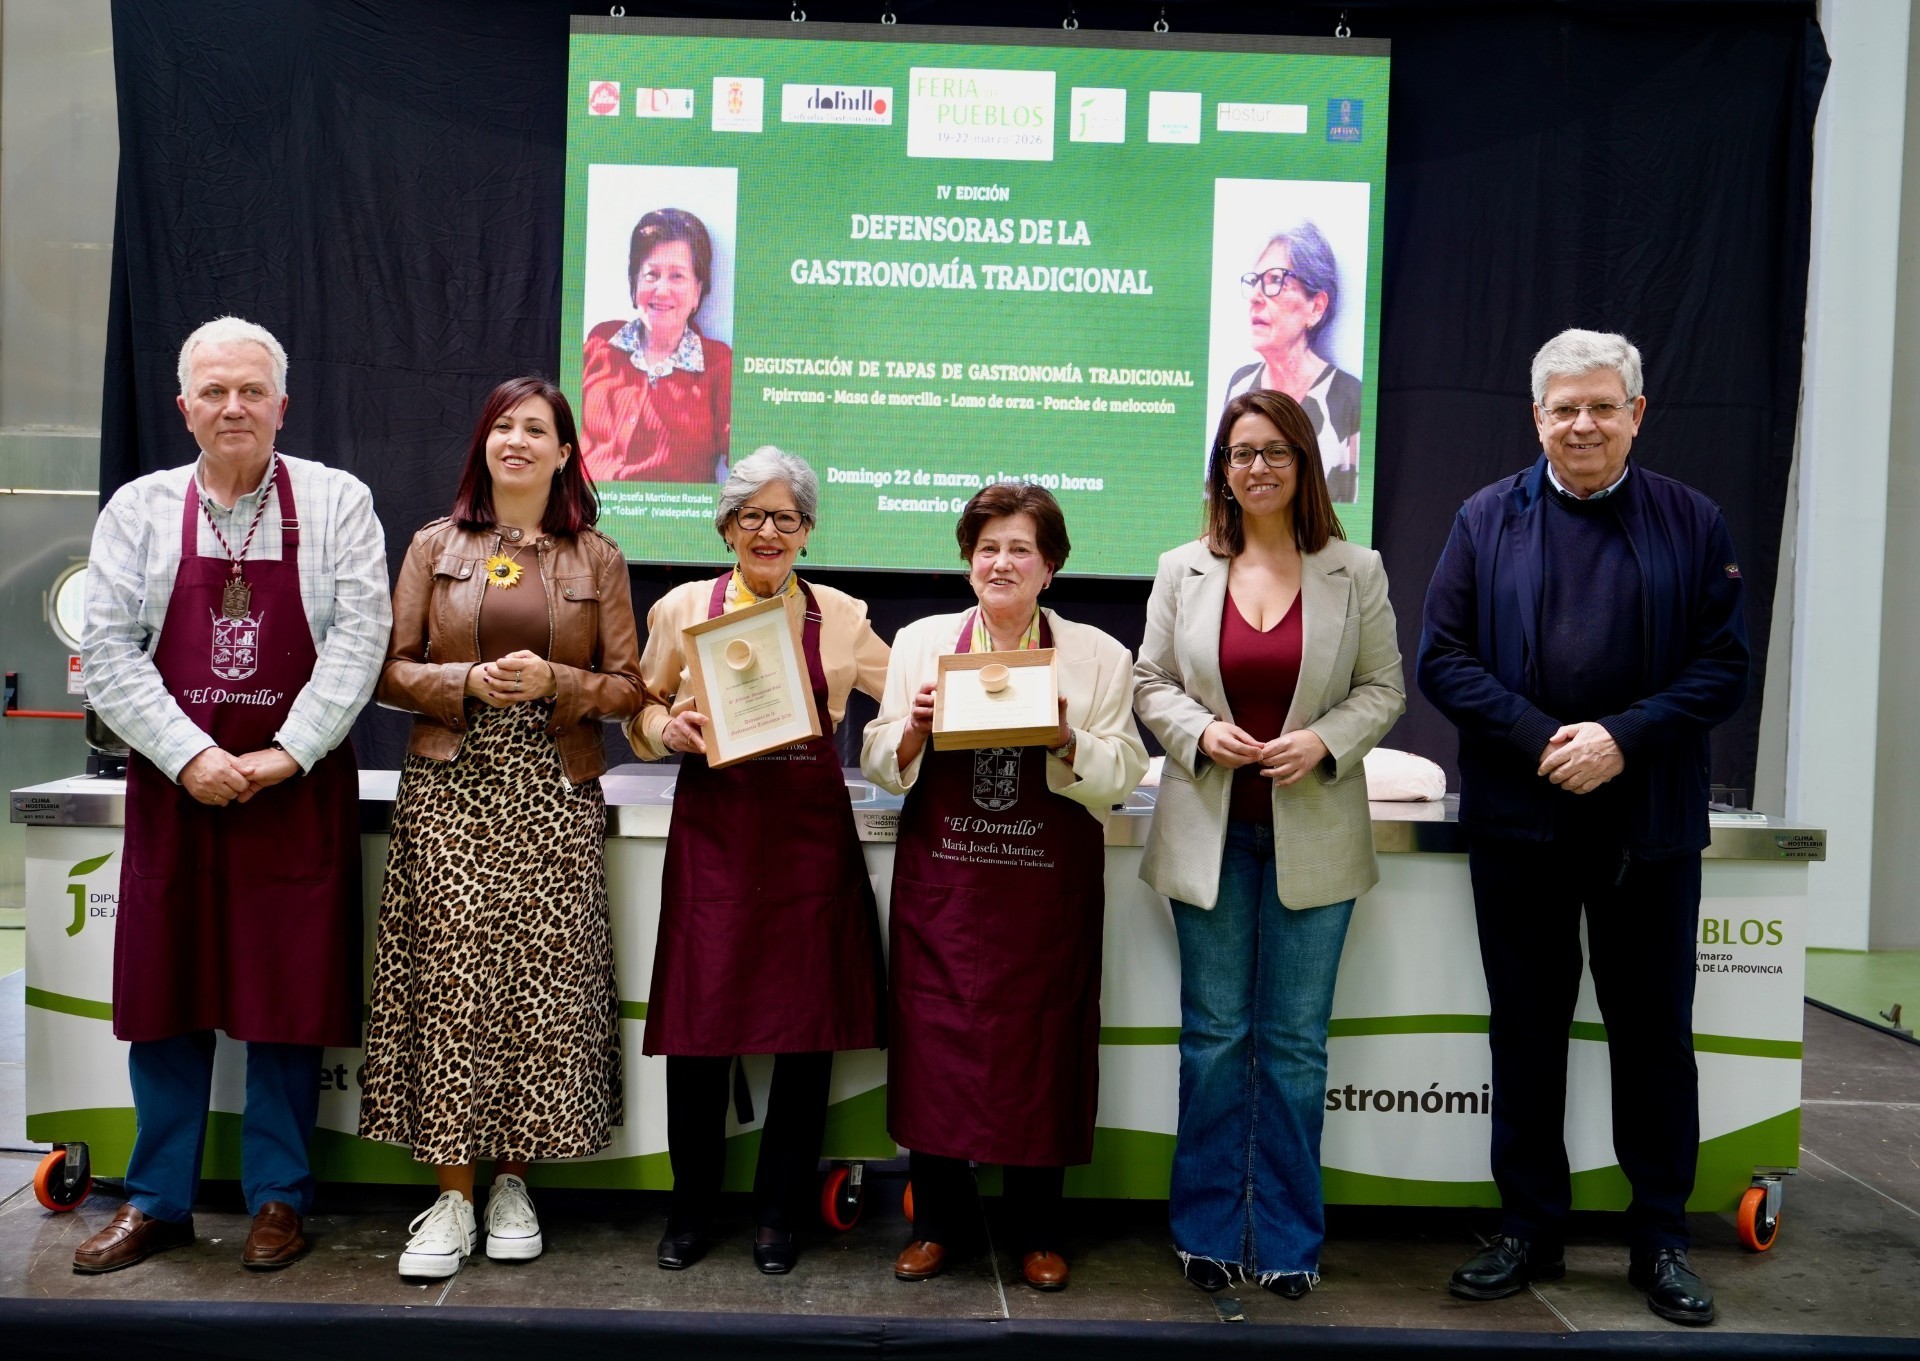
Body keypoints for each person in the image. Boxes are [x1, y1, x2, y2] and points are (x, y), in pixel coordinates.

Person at [1417, 330, 1750, 1327]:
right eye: (1564, 407)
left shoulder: (1693, 521)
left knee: (1655, 1037)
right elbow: (1442, 657)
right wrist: (1536, 736)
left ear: (1636, 413)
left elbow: (1722, 666)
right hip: (1523, 820)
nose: (1583, 424)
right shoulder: (1485, 520)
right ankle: (1528, 1226)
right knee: (1524, 1031)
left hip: (1647, 824)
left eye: (1603, 405)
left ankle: (1660, 1236)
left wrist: (1620, 736)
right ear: (1537, 418)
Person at [75, 316, 389, 1273]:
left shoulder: (339, 501)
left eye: (251, 390)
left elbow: (360, 636)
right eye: (213, 391)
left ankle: (279, 1197)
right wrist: (189, 755)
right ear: (183, 407)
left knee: (286, 1003)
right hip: (179, 793)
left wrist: (286, 752)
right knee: (167, 998)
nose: (233, 406)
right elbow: (111, 653)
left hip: (294, 793)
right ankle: (159, 1198)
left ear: (282, 404)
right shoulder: (137, 509)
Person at [356, 376, 642, 1279]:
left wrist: (560, 680)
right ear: (484, 445)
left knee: (542, 985)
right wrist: (464, 683)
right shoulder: (434, 545)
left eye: (538, 429)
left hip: (554, 787)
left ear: (564, 453)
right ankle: (450, 1195)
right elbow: (388, 669)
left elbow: (633, 689)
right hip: (452, 786)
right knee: (450, 983)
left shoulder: (597, 557)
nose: (517, 440)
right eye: (503, 427)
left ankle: (515, 1180)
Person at [1134, 388, 1404, 1298]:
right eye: (1240, 452)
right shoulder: (1183, 567)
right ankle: (1207, 1227)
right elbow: (1150, 680)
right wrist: (1198, 733)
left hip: (1315, 841)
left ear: (1304, 462)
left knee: (1294, 1046)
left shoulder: (1353, 568)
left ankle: (1287, 1237)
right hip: (1209, 834)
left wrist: (1324, 740)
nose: (1255, 467)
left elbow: (1383, 687)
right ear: (1222, 468)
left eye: (1274, 451)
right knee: (1213, 1039)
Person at [862, 483, 1148, 1293]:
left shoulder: (1098, 656)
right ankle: (935, 1226)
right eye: (987, 547)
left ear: (1049, 566)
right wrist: (913, 726)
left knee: (1043, 1048)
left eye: (1020, 548)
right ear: (967, 561)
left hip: (1044, 895)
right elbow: (881, 760)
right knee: (936, 1041)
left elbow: (1124, 772)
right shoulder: (920, 643)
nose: (1002, 561)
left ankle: (1038, 1231)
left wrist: (1065, 734)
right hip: (946, 884)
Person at [630, 447, 889, 1276]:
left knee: (806, 1041)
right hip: (716, 836)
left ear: (808, 531)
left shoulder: (842, 615)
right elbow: (642, 704)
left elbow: (914, 686)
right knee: (699, 1038)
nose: (768, 531)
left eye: (786, 517)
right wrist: (663, 728)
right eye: (751, 515)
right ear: (726, 526)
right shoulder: (680, 607)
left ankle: (778, 1217)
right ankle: (689, 1211)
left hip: (810, 842)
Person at [581, 206, 733, 485]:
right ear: (634, 281)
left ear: (698, 289)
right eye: (651, 274)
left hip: (668, 524)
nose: (662, 290)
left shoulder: (719, 363)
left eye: (677, 276)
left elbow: (749, 459)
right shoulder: (599, 343)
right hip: (582, 519)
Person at [1222, 223, 1361, 502]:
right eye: (1254, 282)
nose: (1255, 297)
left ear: (1316, 306)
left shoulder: (1350, 397)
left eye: (1275, 280)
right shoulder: (1241, 384)